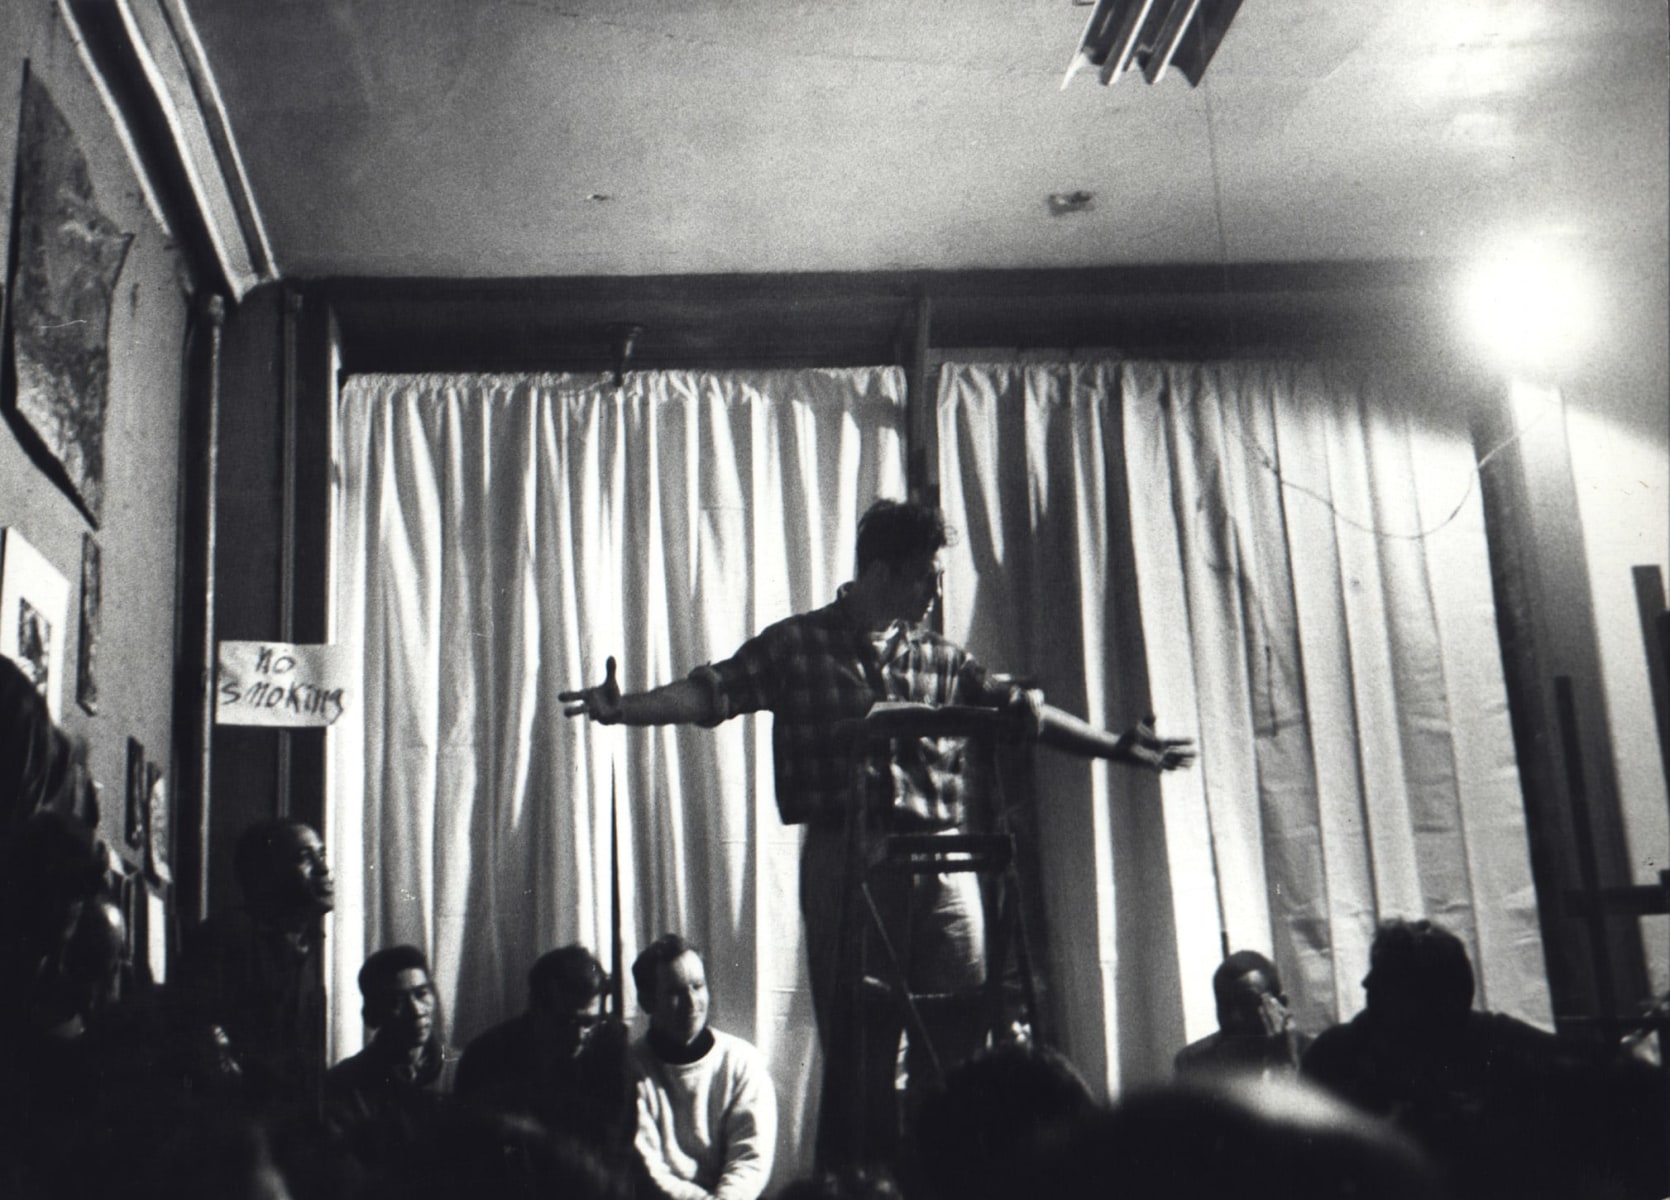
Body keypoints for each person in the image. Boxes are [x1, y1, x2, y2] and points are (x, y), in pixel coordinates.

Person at [561, 498, 1195, 1169]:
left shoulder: (941, 658)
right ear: (885, 572)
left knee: (959, 1038)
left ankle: (944, 1175)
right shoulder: (798, 644)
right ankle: (870, 1182)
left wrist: (1119, 749)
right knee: (860, 1046)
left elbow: (1022, 716)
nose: (937, 591)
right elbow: (712, 693)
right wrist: (623, 709)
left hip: (943, 862)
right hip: (848, 858)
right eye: (928, 576)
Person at [1303, 917, 1667, 1200]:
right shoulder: (1336, 1057)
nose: (1366, 983)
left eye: (1387, 977)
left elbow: (1620, 1082)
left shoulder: (1500, 1046)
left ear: (1441, 1000)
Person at [177, 817, 336, 1106]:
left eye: (322, 855)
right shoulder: (224, 935)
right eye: (305, 858)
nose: (324, 869)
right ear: (268, 874)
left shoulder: (309, 944)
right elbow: (198, 1038)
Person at [455, 943, 632, 1168]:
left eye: (588, 1023)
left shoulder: (611, 1046)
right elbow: (475, 1158)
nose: (579, 1036)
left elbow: (615, 1147)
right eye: (567, 1022)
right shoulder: (485, 1058)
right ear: (536, 1009)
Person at [626, 935, 774, 1200]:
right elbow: (648, 1171)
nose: (692, 1004)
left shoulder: (742, 1062)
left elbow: (750, 1160)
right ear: (648, 1001)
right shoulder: (630, 1070)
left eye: (697, 986)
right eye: (675, 992)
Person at [324, 944, 451, 1168]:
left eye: (421, 994)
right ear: (373, 1013)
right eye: (396, 1001)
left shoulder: (459, 1067)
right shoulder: (345, 1084)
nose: (416, 1010)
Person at [1174, 950, 1310, 1083]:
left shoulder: (1315, 1056)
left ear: (1281, 1003)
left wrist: (1284, 1062)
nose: (1235, 1017)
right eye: (1225, 1005)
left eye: (1247, 1003)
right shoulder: (1194, 1062)